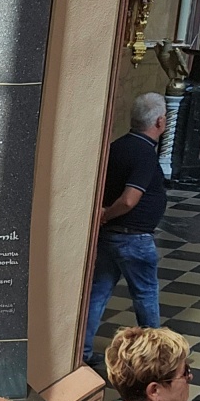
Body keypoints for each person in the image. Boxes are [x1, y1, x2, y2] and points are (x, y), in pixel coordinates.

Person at [82, 92, 168, 366]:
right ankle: (156, 358)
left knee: (98, 293)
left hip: (109, 236)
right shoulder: (144, 153)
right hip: (134, 239)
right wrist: (107, 214)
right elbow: (130, 199)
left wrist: (104, 218)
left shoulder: (116, 147)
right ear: (160, 122)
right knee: (145, 294)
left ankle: (81, 353)